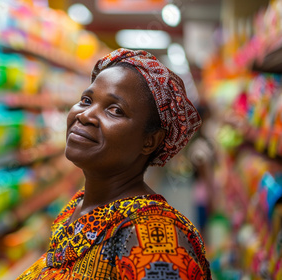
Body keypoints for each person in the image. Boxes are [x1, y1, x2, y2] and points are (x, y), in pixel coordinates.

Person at [17, 48, 211, 279]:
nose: (85, 115)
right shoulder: (78, 206)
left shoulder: (155, 242)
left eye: (115, 110)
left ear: (150, 141)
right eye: (86, 100)